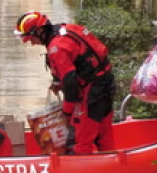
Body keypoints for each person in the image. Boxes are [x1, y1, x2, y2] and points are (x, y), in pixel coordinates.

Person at [14, 11, 116, 154]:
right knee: (103, 134)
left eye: (31, 39)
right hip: (107, 83)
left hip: (92, 92)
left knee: (78, 140)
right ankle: (111, 165)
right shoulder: (71, 28)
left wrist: (66, 112)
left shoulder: (57, 48)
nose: (31, 43)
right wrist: (58, 83)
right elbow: (81, 60)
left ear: (41, 32)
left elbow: (71, 85)